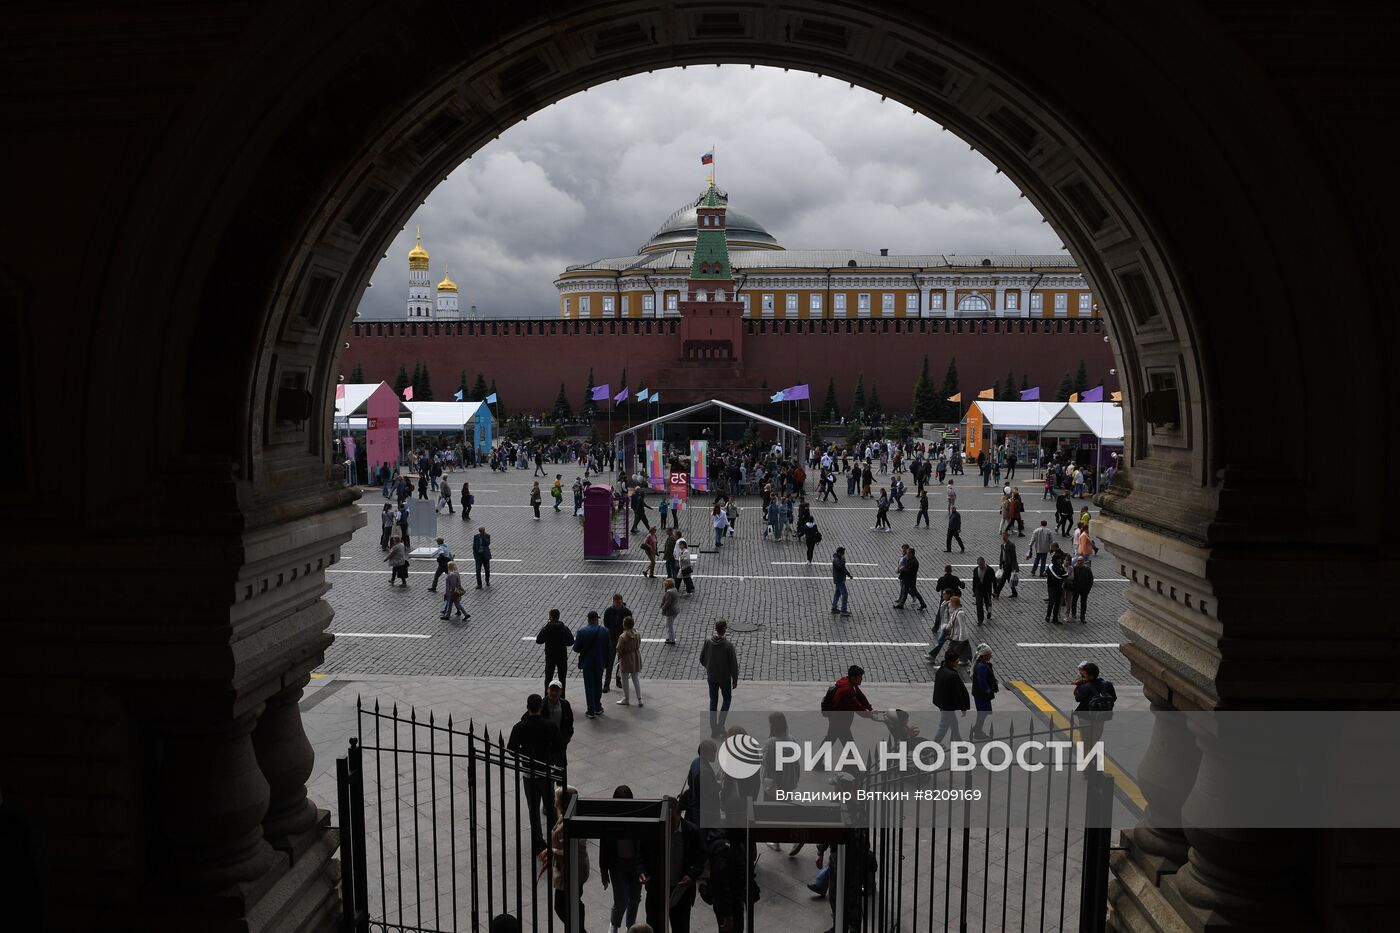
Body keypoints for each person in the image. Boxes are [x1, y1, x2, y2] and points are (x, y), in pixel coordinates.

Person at [506, 694, 564, 857]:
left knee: (533, 809)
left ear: (527, 707)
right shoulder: (549, 725)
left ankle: (538, 843)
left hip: (529, 773)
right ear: (540, 707)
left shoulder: (520, 727)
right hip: (545, 772)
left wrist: (525, 755)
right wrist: (550, 758)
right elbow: (559, 746)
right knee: (551, 808)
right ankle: (554, 840)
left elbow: (511, 749)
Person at [640, 798, 706, 933]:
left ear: (679, 814)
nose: (669, 824)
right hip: (657, 891)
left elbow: (700, 859)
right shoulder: (654, 831)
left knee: (680, 928)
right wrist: (642, 871)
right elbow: (641, 854)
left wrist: (691, 875)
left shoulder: (692, 833)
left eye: (673, 819)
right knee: (654, 927)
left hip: (680, 893)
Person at [600, 785, 645, 932]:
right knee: (621, 900)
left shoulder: (636, 818)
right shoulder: (610, 820)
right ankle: (614, 924)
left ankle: (630, 927)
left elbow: (641, 845)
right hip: (617, 866)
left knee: (635, 897)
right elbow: (604, 848)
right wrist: (604, 871)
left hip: (634, 865)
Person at [549, 786, 589, 931]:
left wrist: (552, 850)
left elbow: (571, 851)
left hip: (572, 871)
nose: (554, 803)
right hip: (567, 870)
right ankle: (574, 926)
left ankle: (577, 928)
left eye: (556, 800)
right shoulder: (566, 817)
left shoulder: (572, 822)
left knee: (561, 905)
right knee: (569, 903)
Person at [699, 619, 739, 736]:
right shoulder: (728, 646)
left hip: (711, 677)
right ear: (725, 629)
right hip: (724, 678)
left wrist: (709, 668)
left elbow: (702, 658)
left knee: (713, 701)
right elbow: (733, 664)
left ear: (715, 629)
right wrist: (734, 679)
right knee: (727, 699)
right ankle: (720, 725)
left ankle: (713, 729)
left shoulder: (708, 642)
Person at [823, 665, 879, 747]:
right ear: (853, 677)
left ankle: (818, 759)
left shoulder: (850, 682)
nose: (861, 679)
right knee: (848, 745)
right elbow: (857, 707)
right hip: (840, 721)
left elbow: (860, 696)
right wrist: (870, 715)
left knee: (830, 739)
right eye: (860, 677)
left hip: (837, 719)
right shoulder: (847, 690)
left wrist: (870, 708)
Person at [574, 610, 609, 718]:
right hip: (599, 662)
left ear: (588, 619)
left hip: (587, 663)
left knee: (589, 686)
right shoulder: (604, 631)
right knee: (598, 684)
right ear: (596, 619)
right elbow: (608, 648)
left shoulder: (581, 631)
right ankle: (598, 706)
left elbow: (576, 648)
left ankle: (591, 709)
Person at [931, 650, 969, 743]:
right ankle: (934, 744)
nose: (958, 661)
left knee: (953, 723)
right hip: (947, 705)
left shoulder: (941, 670)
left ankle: (958, 741)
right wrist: (963, 707)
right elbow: (958, 693)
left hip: (941, 702)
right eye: (957, 659)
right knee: (944, 726)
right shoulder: (952, 675)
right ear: (952, 661)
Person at [537, 609, 574, 693]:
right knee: (562, 678)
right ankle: (562, 697)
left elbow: (539, 640)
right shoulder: (564, 628)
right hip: (562, 656)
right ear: (558, 616)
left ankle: (547, 696)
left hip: (550, 656)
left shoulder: (547, 628)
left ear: (550, 617)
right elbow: (571, 641)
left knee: (548, 677)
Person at [542, 679, 575, 768]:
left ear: (561, 692)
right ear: (547, 690)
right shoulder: (542, 705)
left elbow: (570, 721)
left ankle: (561, 782)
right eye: (552, 690)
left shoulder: (565, 704)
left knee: (561, 767)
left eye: (557, 691)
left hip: (560, 741)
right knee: (548, 766)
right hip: (547, 742)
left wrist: (567, 737)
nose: (554, 693)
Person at [601, 593, 630, 692]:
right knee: (610, 662)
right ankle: (606, 684)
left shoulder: (626, 611)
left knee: (620, 662)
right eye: (616, 602)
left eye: (619, 602)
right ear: (613, 601)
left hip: (622, 639)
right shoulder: (609, 611)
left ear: (621, 601)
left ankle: (618, 680)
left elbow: (629, 624)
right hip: (612, 639)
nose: (618, 604)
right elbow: (606, 624)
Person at [970, 644, 998, 740]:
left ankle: (977, 728)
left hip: (979, 694)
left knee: (982, 712)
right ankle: (978, 731)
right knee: (983, 712)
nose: (991, 656)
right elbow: (981, 680)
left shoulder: (981, 664)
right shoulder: (982, 666)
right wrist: (988, 689)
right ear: (984, 655)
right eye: (990, 654)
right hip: (982, 695)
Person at [615, 616, 643, 707]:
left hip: (626, 658)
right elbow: (639, 643)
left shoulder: (622, 637)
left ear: (624, 625)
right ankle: (640, 699)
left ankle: (626, 698)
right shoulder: (637, 633)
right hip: (635, 656)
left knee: (624, 680)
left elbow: (619, 649)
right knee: (636, 679)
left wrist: (619, 657)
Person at [893, 543, 927, 611]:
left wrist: (902, 569)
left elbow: (909, 570)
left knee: (913, 592)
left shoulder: (913, 562)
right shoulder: (911, 559)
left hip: (910, 579)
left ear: (911, 554)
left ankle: (922, 604)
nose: (907, 554)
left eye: (908, 553)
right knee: (905, 591)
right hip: (908, 579)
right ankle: (901, 604)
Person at [1045, 552, 1069, 624]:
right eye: (1058, 559)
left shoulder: (1060, 566)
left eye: (1060, 559)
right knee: (1051, 602)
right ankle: (1048, 616)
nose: (1060, 561)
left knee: (1057, 603)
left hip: (1059, 586)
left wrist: (1061, 576)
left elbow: (1065, 574)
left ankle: (1055, 618)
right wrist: (1061, 576)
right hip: (1052, 587)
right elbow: (1057, 576)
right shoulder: (1051, 566)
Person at [994, 531, 1020, 598]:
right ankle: (1014, 592)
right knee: (1009, 579)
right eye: (1002, 536)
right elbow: (1001, 555)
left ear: (1007, 536)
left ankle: (997, 593)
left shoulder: (1011, 545)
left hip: (1009, 565)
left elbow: (1014, 557)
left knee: (1002, 580)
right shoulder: (1002, 545)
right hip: (1005, 565)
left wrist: (1014, 567)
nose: (1003, 537)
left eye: (1004, 536)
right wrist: (1000, 564)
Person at [970, 556, 995, 624]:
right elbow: (974, 580)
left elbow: (994, 581)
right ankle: (980, 619)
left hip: (987, 590)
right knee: (979, 604)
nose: (980, 566)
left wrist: (995, 591)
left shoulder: (990, 570)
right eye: (979, 564)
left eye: (981, 564)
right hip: (979, 590)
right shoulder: (975, 570)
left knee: (988, 603)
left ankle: (989, 612)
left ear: (984, 562)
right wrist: (974, 590)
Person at [1070, 556, 1094, 623]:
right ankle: (1073, 613)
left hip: (1084, 589)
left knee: (1083, 603)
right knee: (1074, 601)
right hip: (1076, 588)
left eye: (1080, 561)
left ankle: (1082, 616)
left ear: (1083, 561)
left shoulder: (1087, 569)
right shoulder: (1074, 568)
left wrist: (1088, 588)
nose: (1079, 562)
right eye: (1078, 561)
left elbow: (1090, 579)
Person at [830, 546, 853, 616]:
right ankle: (843, 610)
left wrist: (848, 574)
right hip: (839, 579)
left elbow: (843, 569)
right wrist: (843, 561)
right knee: (845, 594)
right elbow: (841, 568)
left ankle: (834, 608)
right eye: (843, 553)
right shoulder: (837, 560)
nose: (844, 555)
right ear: (840, 553)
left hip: (839, 579)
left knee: (837, 593)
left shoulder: (838, 559)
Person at [660, 578, 680, 645]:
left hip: (670, 611)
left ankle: (671, 639)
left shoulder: (669, 592)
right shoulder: (674, 589)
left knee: (669, 625)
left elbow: (668, 603)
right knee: (667, 624)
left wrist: (663, 607)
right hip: (675, 610)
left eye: (665, 585)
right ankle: (669, 637)